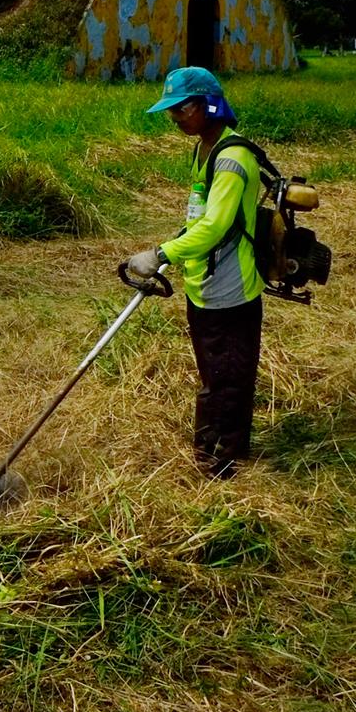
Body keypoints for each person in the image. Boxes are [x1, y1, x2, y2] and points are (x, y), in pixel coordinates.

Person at [127, 67, 264, 479]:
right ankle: (214, 447)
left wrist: (161, 252)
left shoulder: (232, 157)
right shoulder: (204, 149)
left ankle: (220, 461)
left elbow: (216, 226)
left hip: (231, 290)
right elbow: (198, 215)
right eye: (172, 112)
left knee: (227, 378)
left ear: (209, 103)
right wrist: (176, 247)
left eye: (182, 109)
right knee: (215, 373)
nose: (176, 119)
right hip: (204, 284)